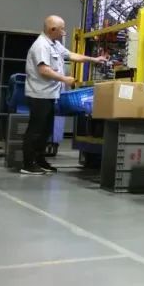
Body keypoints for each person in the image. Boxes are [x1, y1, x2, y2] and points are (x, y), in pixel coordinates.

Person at [21, 15, 106, 174]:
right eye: (62, 29)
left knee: (46, 130)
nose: (64, 32)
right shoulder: (41, 45)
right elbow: (44, 70)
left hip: (50, 95)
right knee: (36, 130)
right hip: (39, 95)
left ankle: (39, 160)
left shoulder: (54, 44)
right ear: (52, 29)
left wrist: (94, 59)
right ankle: (28, 164)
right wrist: (65, 79)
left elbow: (71, 55)